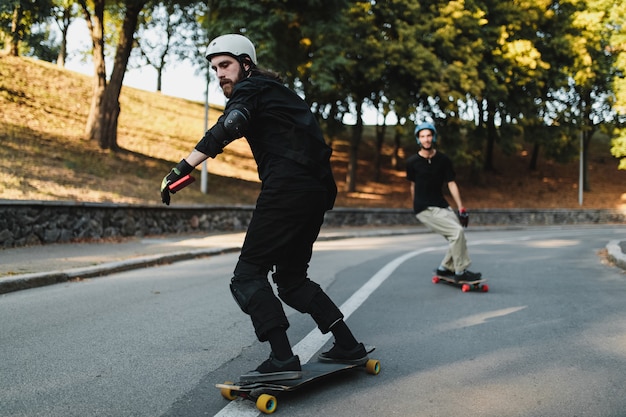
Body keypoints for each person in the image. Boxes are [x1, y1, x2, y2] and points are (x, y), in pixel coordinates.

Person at [160, 34, 367, 382]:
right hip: (315, 192)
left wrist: (182, 167)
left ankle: (283, 358)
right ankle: (348, 345)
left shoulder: (250, 89)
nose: (219, 75)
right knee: (290, 280)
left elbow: (232, 123)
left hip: (287, 188)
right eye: (214, 69)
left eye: (224, 65)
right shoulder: (279, 93)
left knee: (246, 276)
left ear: (245, 63)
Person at [406, 122, 482, 282]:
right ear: (418, 139)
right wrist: (415, 207)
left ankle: (444, 268)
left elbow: (451, 183)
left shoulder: (443, 160)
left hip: (441, 204)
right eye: (422, 136)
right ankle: (460, 271)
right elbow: (412, 185)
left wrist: (461, 207)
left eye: (428, 135)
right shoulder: (412, 162)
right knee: (457, 233)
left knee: (458, 235)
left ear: (433, 137)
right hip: (424, 208)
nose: (426, 139)